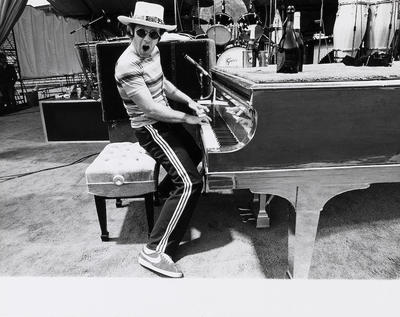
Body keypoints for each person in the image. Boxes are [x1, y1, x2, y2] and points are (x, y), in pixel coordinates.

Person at [115, 1, 211, 278]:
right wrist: (188, 119)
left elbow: (163, 85)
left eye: (153, 34)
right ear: (131, 31)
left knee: (195, 154)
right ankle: (154, 251)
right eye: (142, 32)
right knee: (190, 182)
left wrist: (190, 102)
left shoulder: (153, 52)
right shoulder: (127, 66)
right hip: (150, 127)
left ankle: (167, 196)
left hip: (163, 120)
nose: (147, 39)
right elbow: (151, 109)